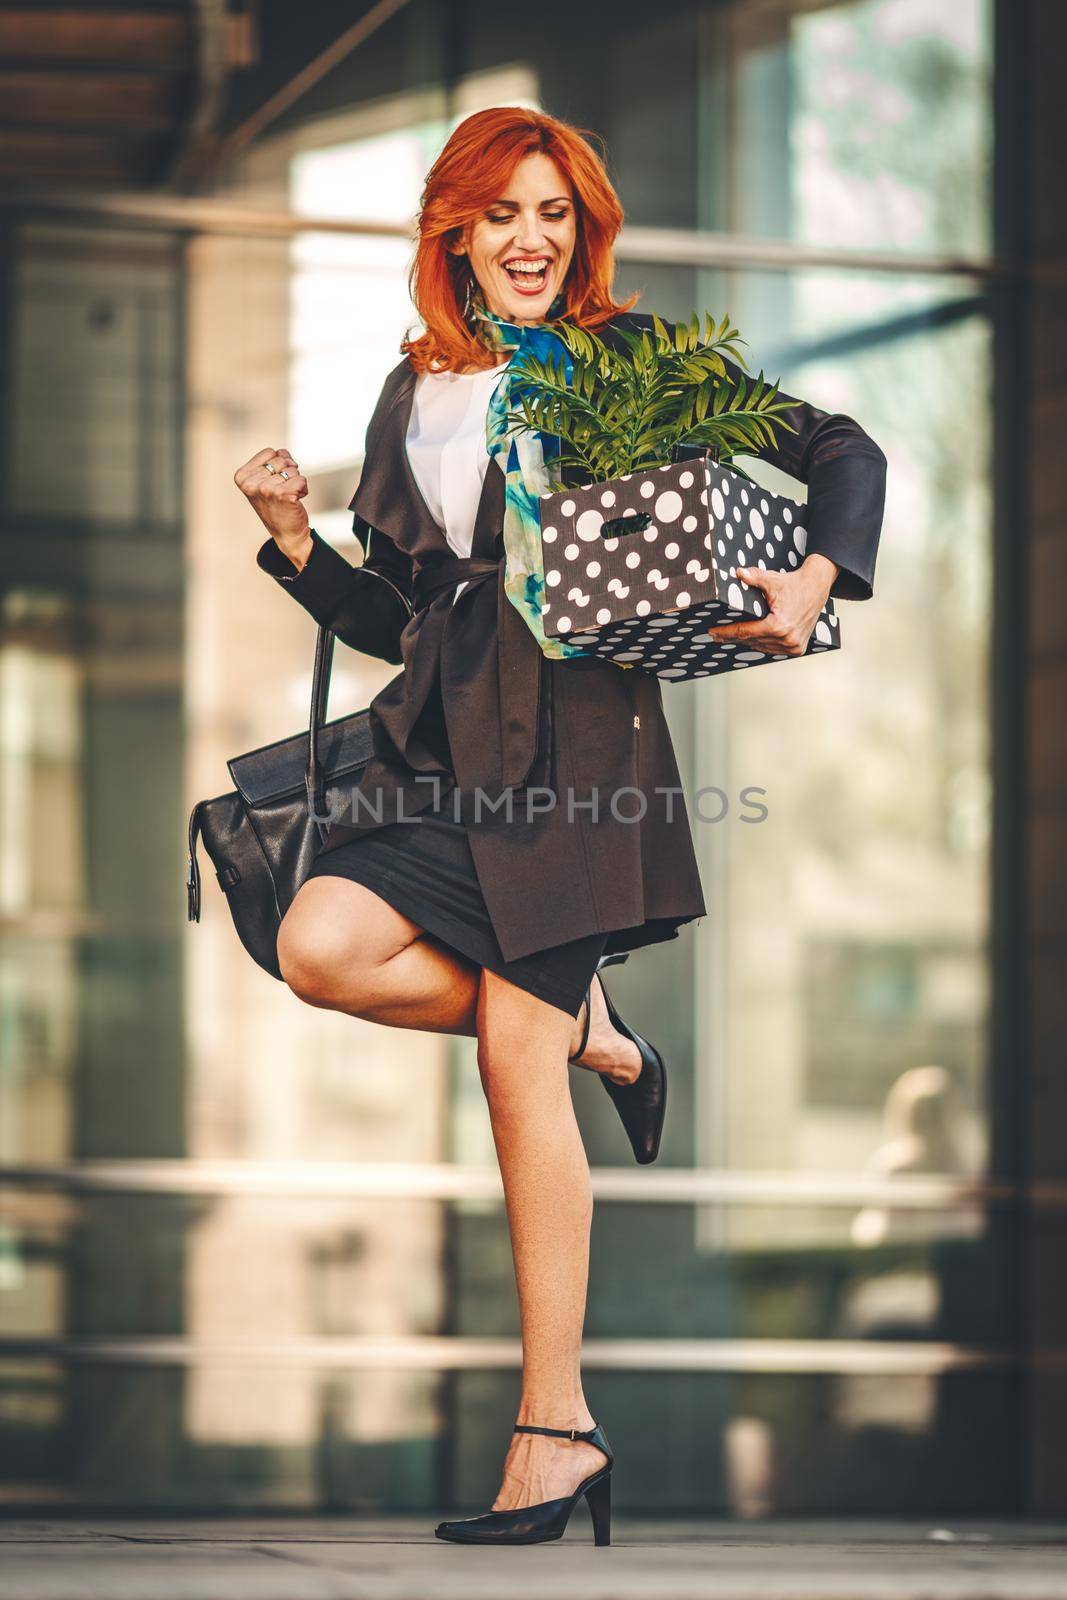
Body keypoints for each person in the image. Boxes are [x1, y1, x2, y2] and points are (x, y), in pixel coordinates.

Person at [233, 105, 887, 1546]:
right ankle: (605, 1031)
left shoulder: (628, 362)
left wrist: (814, 575)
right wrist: (297, 546)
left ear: (580, 233)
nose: (533, 240)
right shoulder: (410, 396)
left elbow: (836, 442)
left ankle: (555, 1433)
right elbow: (409, 621)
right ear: (454, 231)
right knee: (319, 942)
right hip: (439, 751)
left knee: (514, 1079)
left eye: (557, 214)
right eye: (504, 213)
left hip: (578, 753)